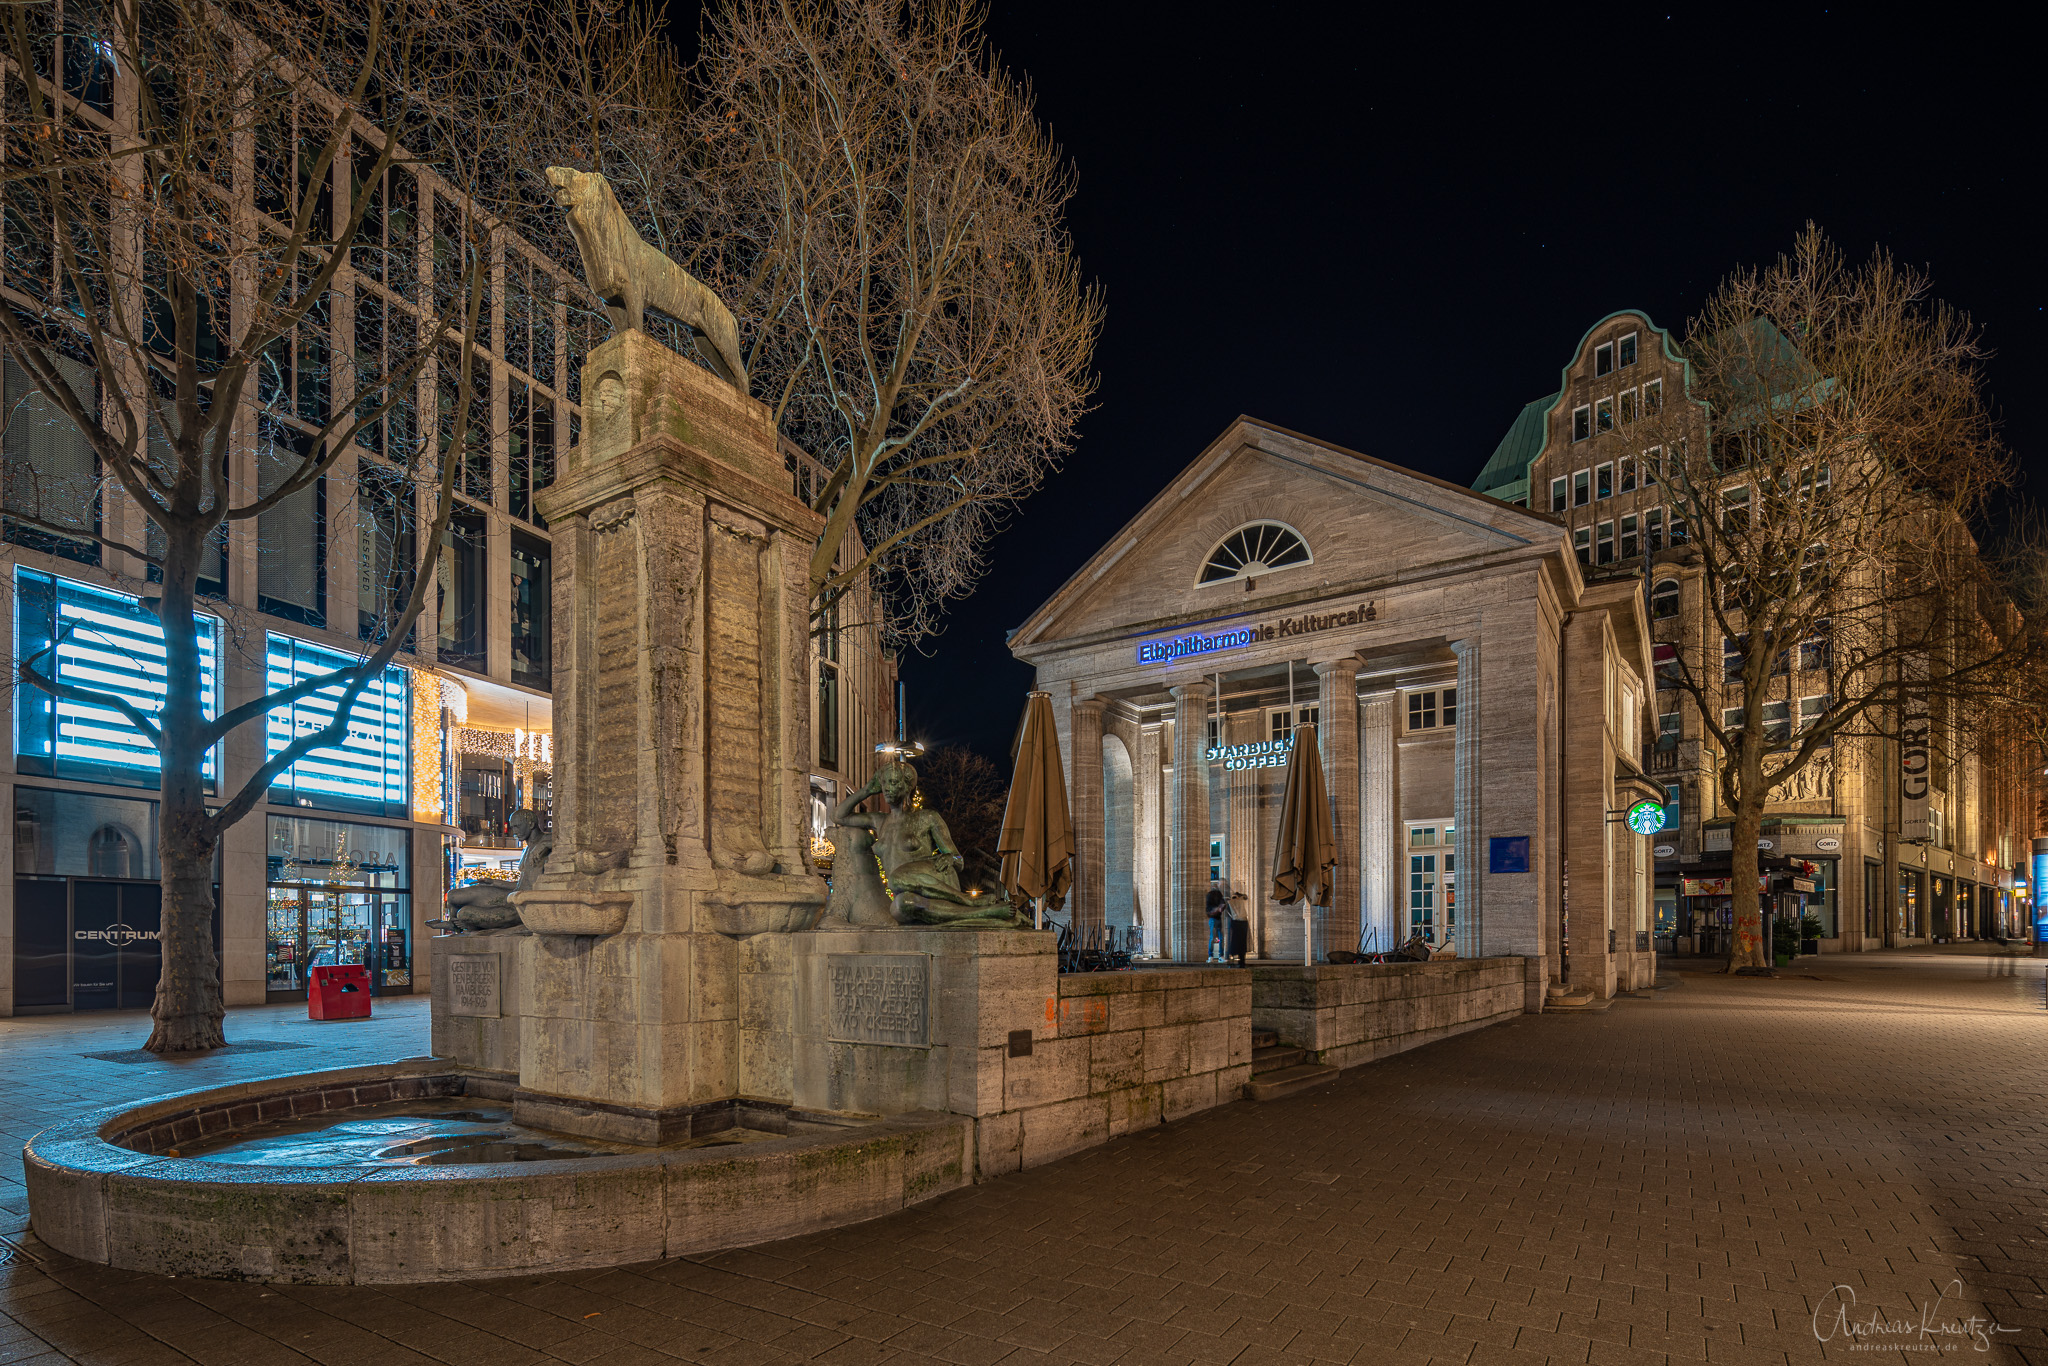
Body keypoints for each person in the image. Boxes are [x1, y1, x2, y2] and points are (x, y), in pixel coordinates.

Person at [1206, 885, 1228, 962]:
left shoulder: (1218, 894)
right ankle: (1212, 956)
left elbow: (1223, 904)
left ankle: (1219, 956)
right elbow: (1208, 909)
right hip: (1214, 918)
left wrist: (1221, 907)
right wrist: (1217, 909)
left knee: (1219, 938)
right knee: (1213, 938)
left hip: (1217, 918)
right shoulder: (1211, 895)